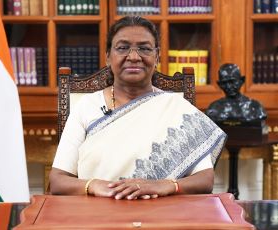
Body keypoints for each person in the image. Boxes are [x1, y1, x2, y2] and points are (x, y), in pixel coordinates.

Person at [49, 16, 227, 200]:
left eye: (144, 48)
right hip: (97, 213)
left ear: (157, 56)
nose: (134, 57)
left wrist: (164, 185)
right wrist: (94, 185)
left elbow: (205, 179)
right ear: (108, 56)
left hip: (163, 213)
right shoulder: (86, 107)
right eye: (123, 47)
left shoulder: (177, 107)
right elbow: (58, 181)